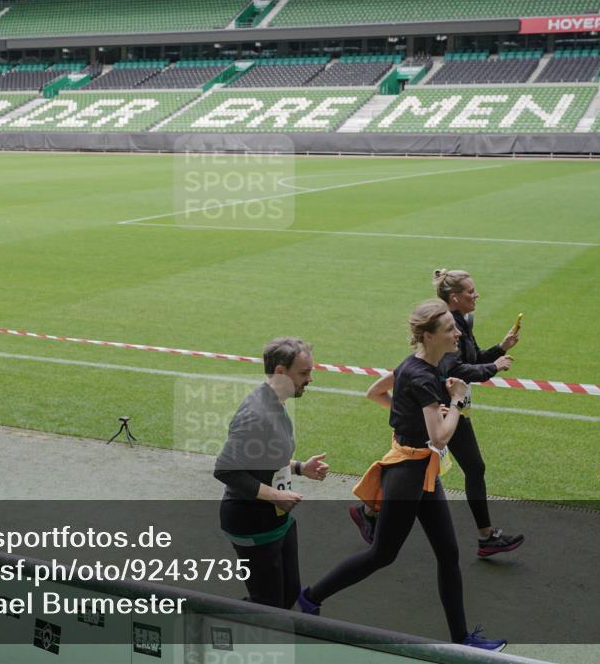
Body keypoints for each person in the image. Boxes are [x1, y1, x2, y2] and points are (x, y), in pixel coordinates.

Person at [299, 301, 506, 651]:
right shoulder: (424, 374)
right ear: (428, 336)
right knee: (382, 554)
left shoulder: (422, 365)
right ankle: (310, 598)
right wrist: (455, 402)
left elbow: (376, 393)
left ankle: (462, 639)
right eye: (449, 330)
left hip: (420, 471)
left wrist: (411, 414)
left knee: (448, 554)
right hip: (409, 476)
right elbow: (441, 437)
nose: (458, 332)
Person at [352, 270, 524, 557]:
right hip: (444, 412)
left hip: (445, 410)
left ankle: (369, 512)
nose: (476, 295)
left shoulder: (460, 324)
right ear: (453, 298)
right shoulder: (444, 331)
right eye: (471, 291)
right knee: (421, 468)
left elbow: (469, 358)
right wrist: (490, 370)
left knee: (416, 467)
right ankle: (483, 537)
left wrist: (498, 350)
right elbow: (454, 369)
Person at [214, 337, 330, 610]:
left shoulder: (275, 402)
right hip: (250, 522)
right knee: (268, 605)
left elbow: (263, 456)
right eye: (304, 373)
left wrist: (300, 468)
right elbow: (226, 469)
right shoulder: (256, 413)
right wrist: (273, 497)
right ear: (280, 372)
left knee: (287, 595)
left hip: (277, 521)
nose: (310, 378)